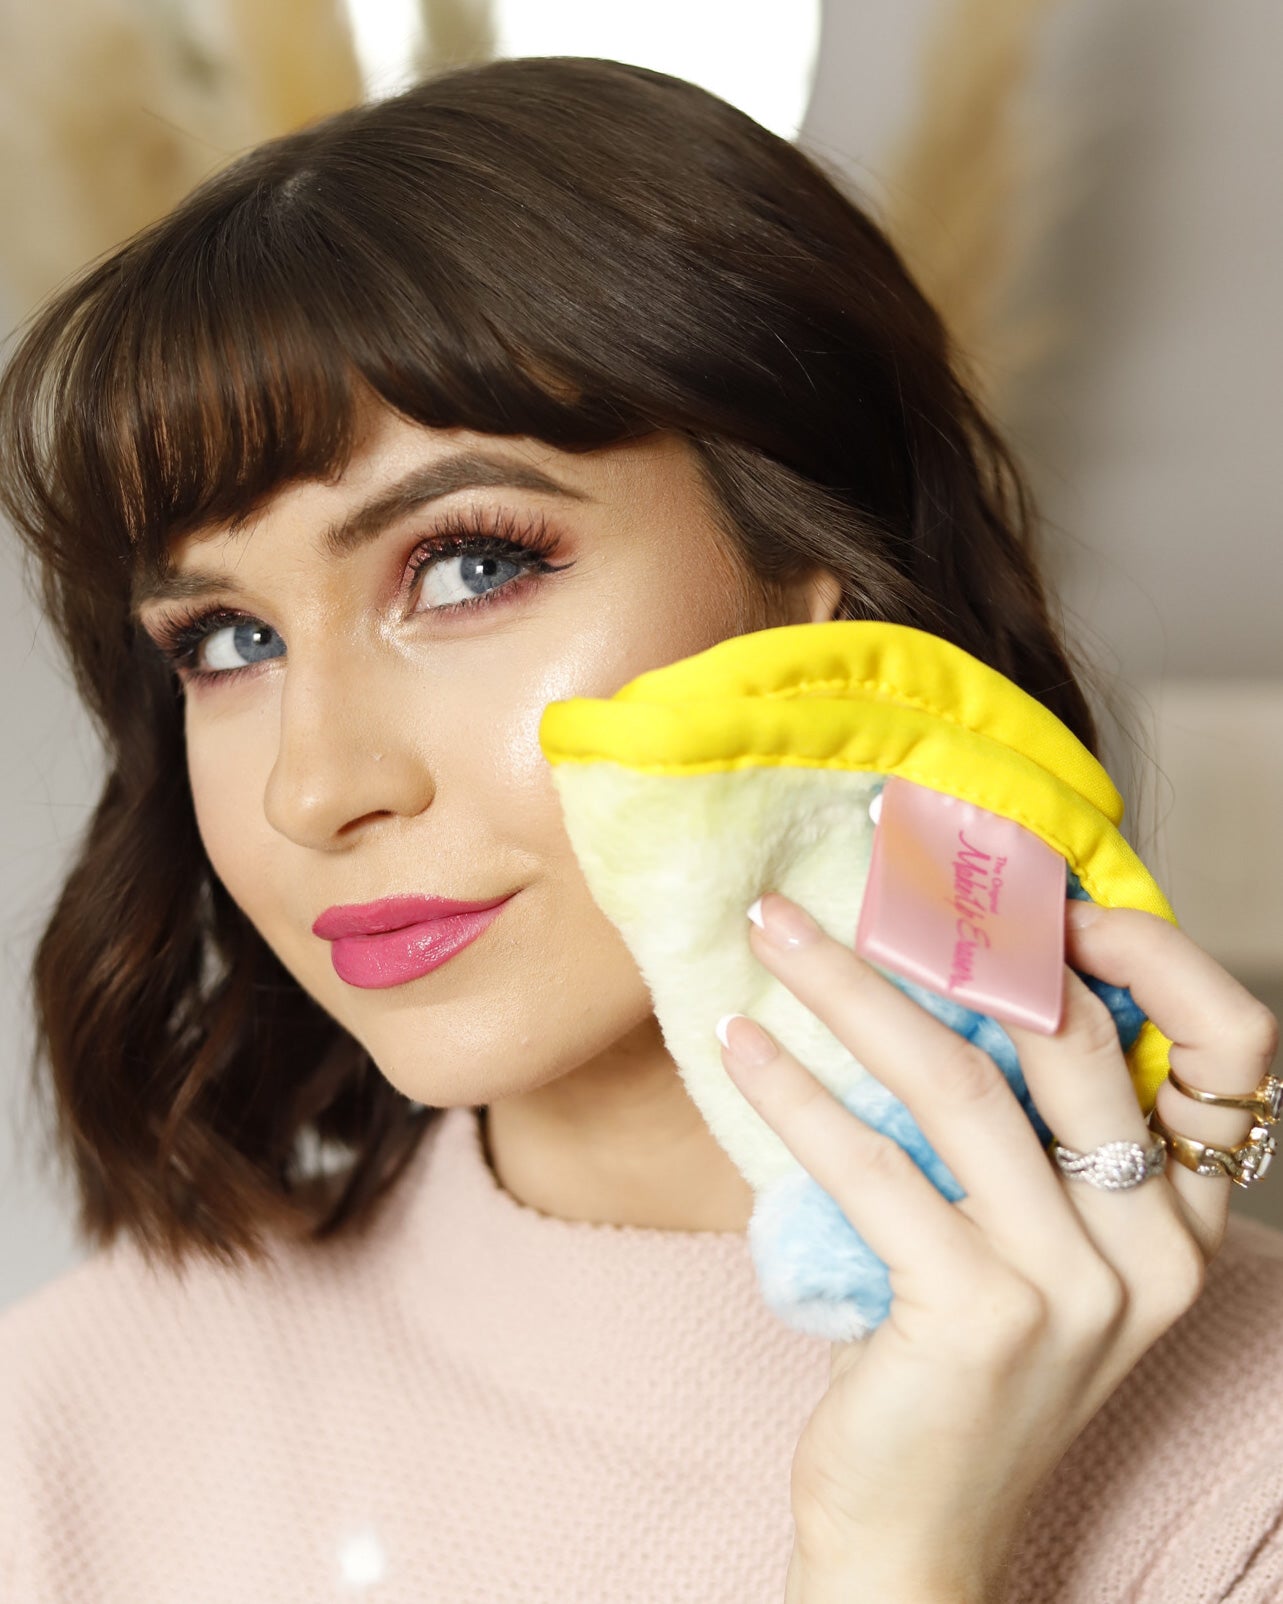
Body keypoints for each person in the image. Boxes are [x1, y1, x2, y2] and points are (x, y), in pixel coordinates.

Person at [0, 54, 1279, 1604]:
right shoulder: (77, 1414)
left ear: (820, 608)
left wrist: (905, 1555)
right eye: (225, 641)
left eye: (467, 564)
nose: (313, 787)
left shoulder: (1242, 1471)